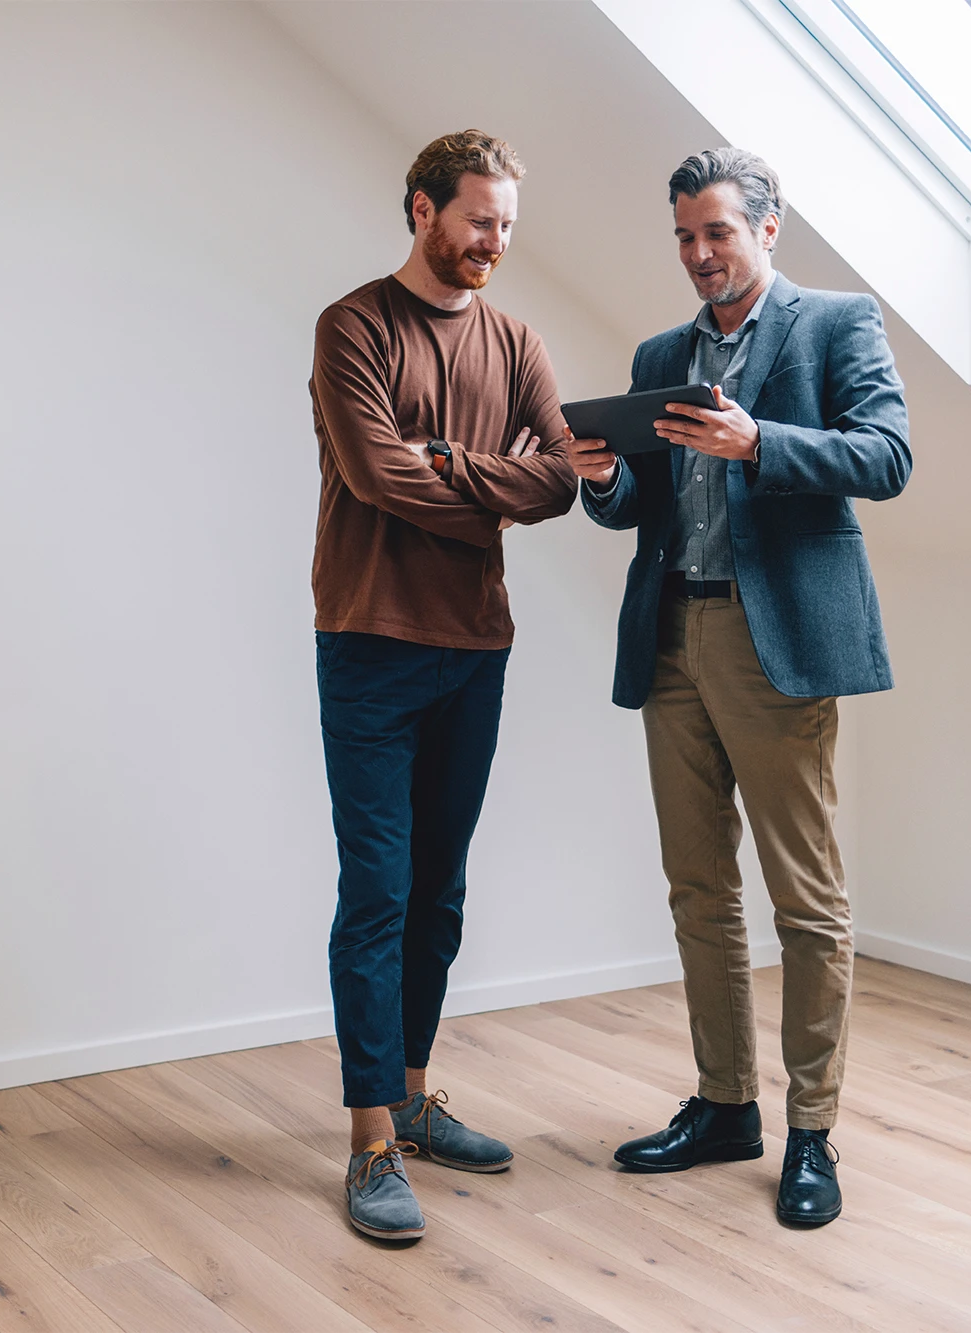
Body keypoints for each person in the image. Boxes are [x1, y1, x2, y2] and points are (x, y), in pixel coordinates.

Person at [566, 147, 909, 1229]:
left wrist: (758, 439)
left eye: (715, 232)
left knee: (805, 900)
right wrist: (604, 478)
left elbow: (885, 455)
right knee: (697, 890)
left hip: (779, 646)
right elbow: (638, 509)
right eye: (682, 236)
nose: (697, 253)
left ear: (768, 229)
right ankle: (724, 1106)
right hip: (672, 632)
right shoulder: (661, 351)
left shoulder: (834, 324)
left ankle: (811, 1129)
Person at [310, 129, 576, 1241]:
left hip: (476, 644)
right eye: (477, 220)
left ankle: (414, 1093)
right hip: (369, 640)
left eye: (506, 226)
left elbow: (562, 478)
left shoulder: (514, 340)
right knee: (377, 888)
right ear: (420, 209)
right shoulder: (352, 327)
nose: (493, 244)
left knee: (440, 889)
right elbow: (374, 473)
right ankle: (371, 1140)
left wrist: (458, 468)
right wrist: (493, 484)